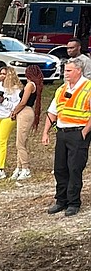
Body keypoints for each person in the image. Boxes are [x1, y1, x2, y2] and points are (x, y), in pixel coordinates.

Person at [41, 60, 91, 217]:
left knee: (74, 168)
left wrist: (84, 132)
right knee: (60, 168)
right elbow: (52, 112)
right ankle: (61, 200)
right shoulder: (61, 89)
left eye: (69, 70)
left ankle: (73, 202)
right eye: (65, 70)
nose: (65, 73)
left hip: (78, 132)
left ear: (78, 71)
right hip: (62, 132)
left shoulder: (88, 88)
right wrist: (46, 132)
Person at [9, 64, 44, 181]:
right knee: (20, 141)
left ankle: (25, 167)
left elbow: (23, 101)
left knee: (20, 143)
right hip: (24, 112)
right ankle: (18, 167)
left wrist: (14, 112)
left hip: (25, 112)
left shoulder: (30, 85)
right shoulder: (34, 85)